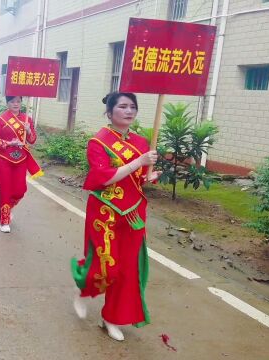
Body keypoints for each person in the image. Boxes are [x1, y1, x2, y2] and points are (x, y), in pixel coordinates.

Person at [71, 92, 160, 342]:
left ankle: (111, 318)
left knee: (127, 270)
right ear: (110, 113)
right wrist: (138, 163)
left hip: (133, 212)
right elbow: (104, 178)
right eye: (122, 106)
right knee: (106, 266)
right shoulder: (97, 143)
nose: (129, 111)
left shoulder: (142, 142)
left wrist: (148, 176)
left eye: (133, 106)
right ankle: (82, 290)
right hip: (104, 210)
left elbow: (138, 178)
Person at [0, 95, 43, 233]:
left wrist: (29, 130)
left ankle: (8, 208)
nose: (16, 104)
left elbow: (32, 140)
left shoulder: (27, 119)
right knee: (5, 190)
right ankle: (4, 220)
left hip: (20, 160)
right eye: (12, 101)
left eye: (18, 101)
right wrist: (9, 143)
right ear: (7, 103)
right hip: (3, 159)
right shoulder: (1, 119)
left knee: (20, 190)